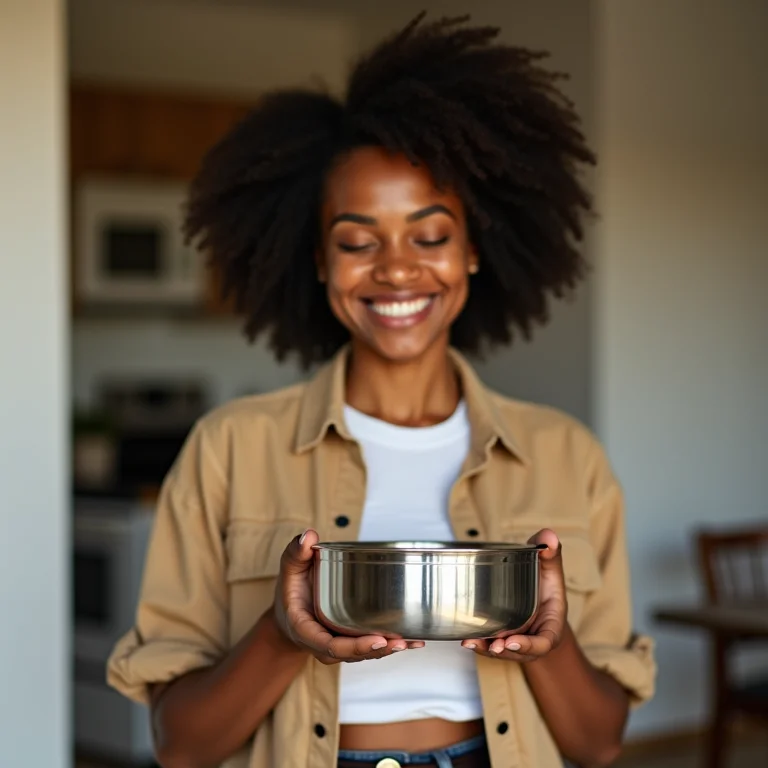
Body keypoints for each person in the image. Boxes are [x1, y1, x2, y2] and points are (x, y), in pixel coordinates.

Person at [107, 13, 655, 768]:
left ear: (471, 251)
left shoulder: (568, 456)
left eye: (429, 236)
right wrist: (280, 634)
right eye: (358, 242)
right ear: (321, 262)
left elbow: (598, 743)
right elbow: (180, 746)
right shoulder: (230, 448)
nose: (396, 270)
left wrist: (547, 643)